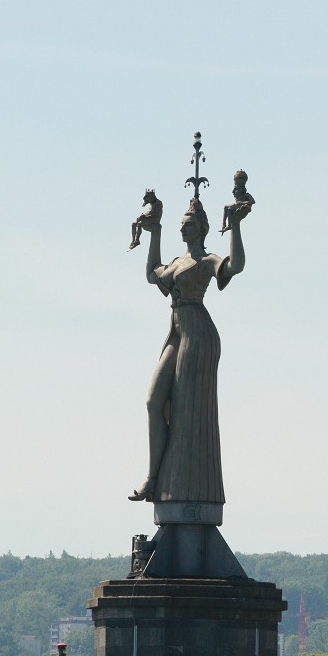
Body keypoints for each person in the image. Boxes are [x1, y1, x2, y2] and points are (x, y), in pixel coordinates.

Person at [128, 194, 250, 504]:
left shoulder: (206, 260)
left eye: (189, 224)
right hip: (176, 330)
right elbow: (151, 274)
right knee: (154, 401)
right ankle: (153, 476)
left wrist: (235, 227)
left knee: (188, 411)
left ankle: (181, 483)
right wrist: (154, 232)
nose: (183, 228)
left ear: (201, 228)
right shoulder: (178, 262)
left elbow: (235, 266)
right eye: (181, 224)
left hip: (198, 333)